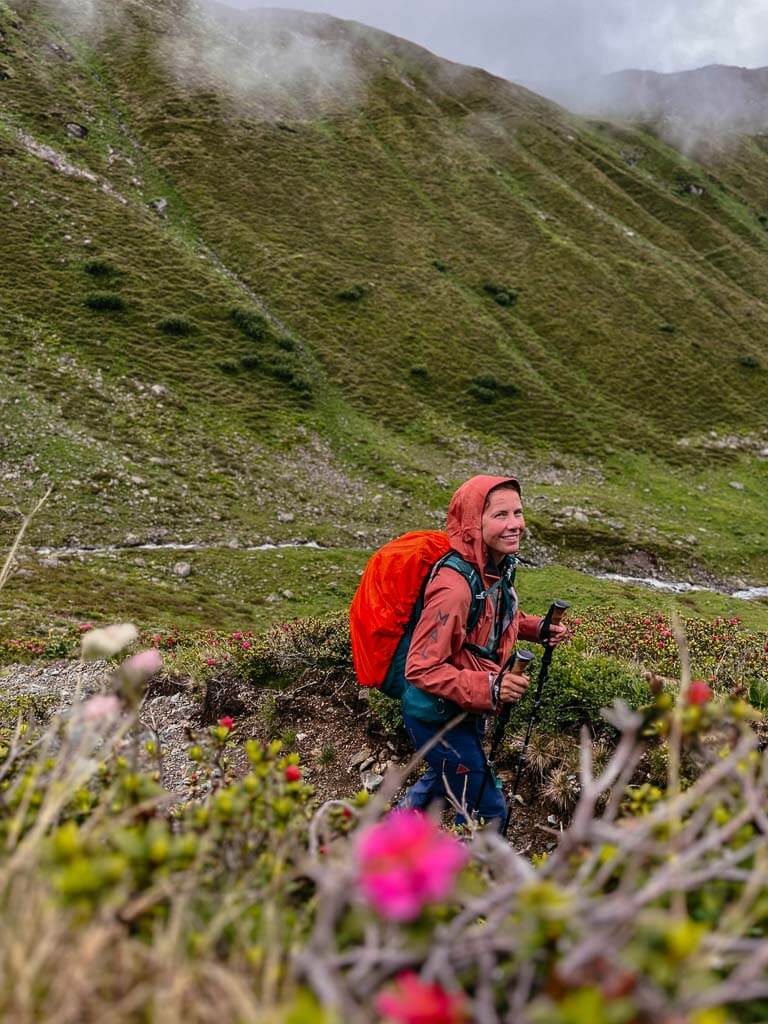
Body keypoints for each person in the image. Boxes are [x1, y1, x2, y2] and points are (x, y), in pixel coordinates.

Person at [399, 474, 566, 829]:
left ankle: (381, 841)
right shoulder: (455, 587)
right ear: (475, 522)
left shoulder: (492, 569)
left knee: (444, 780)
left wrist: (536, 628)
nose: (515, 525)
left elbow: (491, 617)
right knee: (489, 810)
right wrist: (490, 687)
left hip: (461, 710)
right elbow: (420, 668)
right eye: (501, 515)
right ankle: (477, 876)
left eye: (518, 513)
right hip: (437, 716)